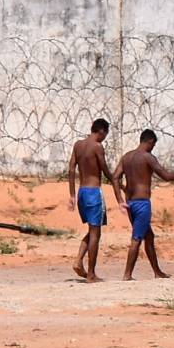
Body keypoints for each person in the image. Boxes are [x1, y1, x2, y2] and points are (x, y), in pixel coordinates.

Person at [112, 129, 174, 281]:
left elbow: (115, 177)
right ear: (150, 142)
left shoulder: (127, 157)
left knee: (148, 236)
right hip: (142, 203)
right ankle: (127, 274)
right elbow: (166, 176)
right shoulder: (147, 157)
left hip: (130, 202)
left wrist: (120, 199)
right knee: (136, 238)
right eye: (153, 145)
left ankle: (157, 272)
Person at [67, 118, 114, 283]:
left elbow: (72, 169)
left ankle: (78, 260)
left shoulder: (78, 145)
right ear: (101, 131)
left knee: (92, 230)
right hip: (94, 192)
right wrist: (118, 183)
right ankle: (91, 274)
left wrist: (72, 194)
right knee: (96, 233)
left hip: (81, 193)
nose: (104, 138)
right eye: (105, 134)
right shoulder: (97, 146)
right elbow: (105, 170)